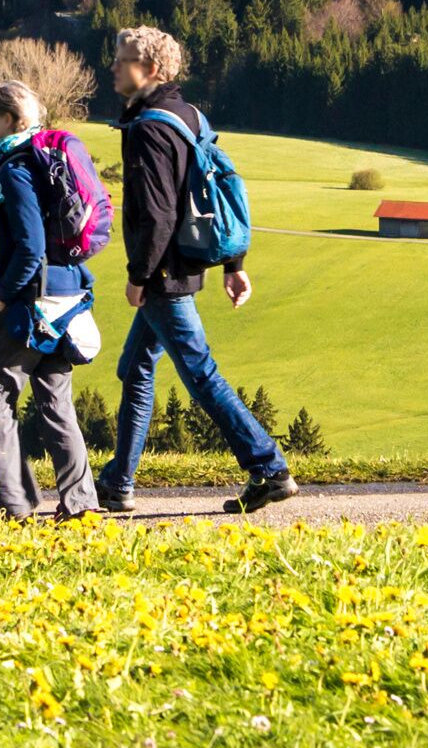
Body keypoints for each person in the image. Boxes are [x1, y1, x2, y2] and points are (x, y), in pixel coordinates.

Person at [100, 26, 295, 516]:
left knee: (201, 374)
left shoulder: (148, 128)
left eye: (123, 60)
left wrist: (139, 276)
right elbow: (217, 186)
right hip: (183, 267)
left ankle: (269, 468)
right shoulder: (187, 114)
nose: (114, 67)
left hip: (164, 275)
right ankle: (118, 482)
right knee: (137, 368)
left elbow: (160, 214)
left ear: (151, 70)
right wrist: (234, 263)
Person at [0, 80, 99, 522]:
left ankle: (16, 503)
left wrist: (3, 300)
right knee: (55, 400)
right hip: (68, 294)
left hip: (33, 301)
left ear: (9, 119)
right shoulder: (47, 162)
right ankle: (81, 503)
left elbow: (30, 245)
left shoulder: (15, 168)